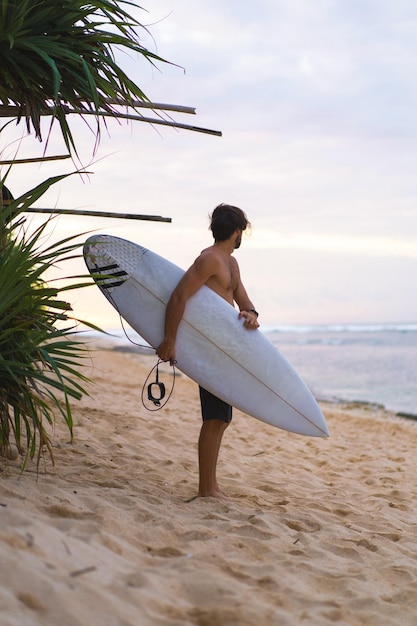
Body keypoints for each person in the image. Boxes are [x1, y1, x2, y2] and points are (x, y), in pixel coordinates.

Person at [157, 203, 259, 499]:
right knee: (214, 418)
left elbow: (245, 303)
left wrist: (251, 315)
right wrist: (169, 341)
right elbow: (179, 296)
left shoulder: (231, 264)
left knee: (222, 419)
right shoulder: (209, 259)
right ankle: (206, 489)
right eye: (243, 232)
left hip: (223, 348)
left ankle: (211, 486)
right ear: (237, 231)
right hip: (209, 347)